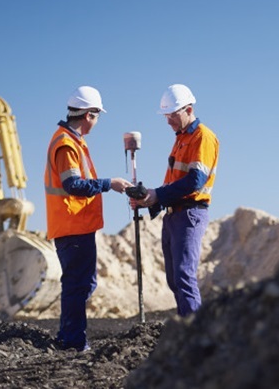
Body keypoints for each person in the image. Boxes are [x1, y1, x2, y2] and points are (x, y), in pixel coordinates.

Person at [44, 85, 132, 351]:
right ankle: (72, 341)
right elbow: (73, 185)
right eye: (97, 116)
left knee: (82, 283)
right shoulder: (66, 144)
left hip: (76, 226)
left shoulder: (72, 141)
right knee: (77, 284)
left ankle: (68, 336)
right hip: (72, 226)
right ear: (89, 114)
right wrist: (109, 183)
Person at [131, 84, 219, 317]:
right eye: (166, 116)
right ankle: (186, 329)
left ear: (188, 109)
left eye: (172, 115)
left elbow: (194, 181)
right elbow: (174, 183)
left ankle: (194, 334)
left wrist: (158, 195)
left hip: (190, 214)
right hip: (173, 215)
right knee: (174, 279)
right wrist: (151, 199)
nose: (168, 121)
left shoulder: (203, 137)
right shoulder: (181, 139)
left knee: (183, 275)